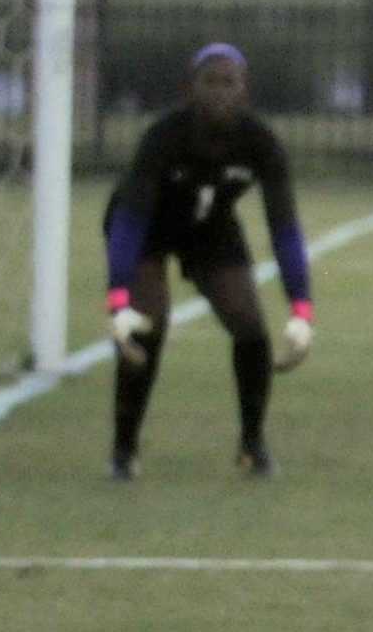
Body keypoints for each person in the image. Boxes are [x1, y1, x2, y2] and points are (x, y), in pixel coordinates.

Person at [104, 44, 315, 480]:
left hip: (210, 226)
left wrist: (301, 308)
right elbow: (130, 218)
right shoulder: (164, 137)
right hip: (149, 227)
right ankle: (124, 449)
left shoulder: (260, 143)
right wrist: (118, 298)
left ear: (245, 92)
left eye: (229, 82)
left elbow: (285, 227)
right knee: (148, 321)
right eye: (210, 82)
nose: (220, 92)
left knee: (249, 324)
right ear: (189, 89)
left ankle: (252, 444)